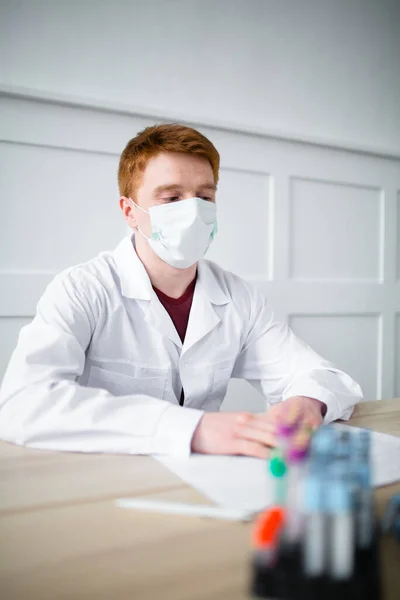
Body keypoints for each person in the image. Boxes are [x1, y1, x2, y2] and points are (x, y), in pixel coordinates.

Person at [0, 124, 362, 458]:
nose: (192, 213)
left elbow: (321, 376)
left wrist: (306, 402)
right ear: (130, 211)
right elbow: (22, 402)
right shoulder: (82, 290)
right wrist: (193, 429)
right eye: (171, 198)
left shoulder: (239, 299)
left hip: (203, 483)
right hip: (101, 481)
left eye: (204, 197)